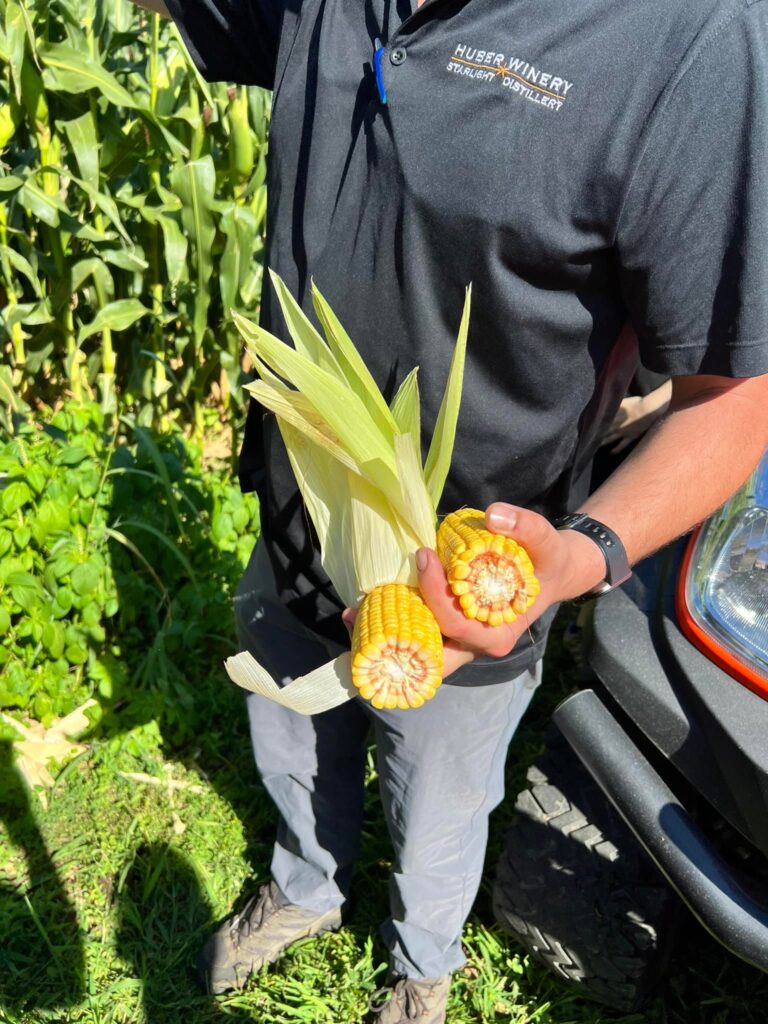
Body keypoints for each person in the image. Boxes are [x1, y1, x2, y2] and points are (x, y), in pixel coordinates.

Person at [131, 1, 768, 1020]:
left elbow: (736, 396)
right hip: (303, 503)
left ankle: (421, 964)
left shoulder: (686, 36)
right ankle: (305, 883)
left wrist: (578, 556)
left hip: (477, 580)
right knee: (291, 731)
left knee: (438, 796)